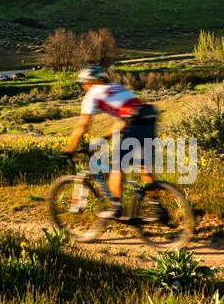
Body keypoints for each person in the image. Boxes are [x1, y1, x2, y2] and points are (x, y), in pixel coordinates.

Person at [63, 65, 157, 218]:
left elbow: (83, 125)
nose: (83, 86)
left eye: (83, 83)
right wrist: (104, 138)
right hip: (148, 119)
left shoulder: (92, 94)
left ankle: (116, 208)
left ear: (90, 81)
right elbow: (122, 121)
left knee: (116, 167)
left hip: (134, 123)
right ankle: (156, 208)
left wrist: (70, 147)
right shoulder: (116, 87)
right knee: (143, 168)